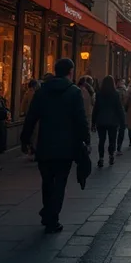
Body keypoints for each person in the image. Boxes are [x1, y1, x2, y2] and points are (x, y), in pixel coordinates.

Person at [21, 58, 90, 233]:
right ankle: (52, 217)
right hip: (66, 145)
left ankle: (48, 211)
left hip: (45, 143)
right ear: (71, 71)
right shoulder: (74, 92)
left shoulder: (42, 91)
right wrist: (86, 139)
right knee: (60, 181)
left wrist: (25, 138)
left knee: (47, 181)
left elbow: (31, 117)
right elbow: (81, 120)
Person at [92, 75, 125, 168]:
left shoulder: (99, 94)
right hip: (113, 121)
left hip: (101, 120)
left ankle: (101, 158)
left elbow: (96, 109)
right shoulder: (115, 94)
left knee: (101, 140)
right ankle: (111, 156)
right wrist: (122, 120)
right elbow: (119, 108)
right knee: (112, 140)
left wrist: (93, 122)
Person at [115, 78, 128, 155]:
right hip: (121, 112)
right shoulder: (124, 91)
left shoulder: (114, 91)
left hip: (114, 113)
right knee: (121, 129)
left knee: (114, 130)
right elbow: (125, 102)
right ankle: (118, 147)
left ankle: (114, 147)